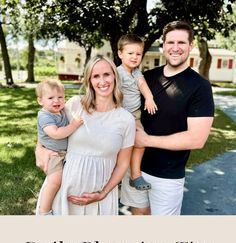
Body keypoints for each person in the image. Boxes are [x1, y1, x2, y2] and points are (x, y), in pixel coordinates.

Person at [120, 20, 214, 215]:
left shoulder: (200, 86)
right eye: (170, 42)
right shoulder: (147, 77)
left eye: (181, 43)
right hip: (134, 168)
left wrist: (146, 140)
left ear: (191, 46)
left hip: (167, 176)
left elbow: (197, 139)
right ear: (163, 45)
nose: (175, 48)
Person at [36, 55, 136, 215]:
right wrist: (39, 150)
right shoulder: (75, 105)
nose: (102, 81)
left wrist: (102, 193)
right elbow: (47, 129)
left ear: (115, 76)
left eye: (107, 74)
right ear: (89, 80)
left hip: (101, 201)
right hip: (63, 193)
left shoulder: (126, 120)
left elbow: (123, 164)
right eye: (96, 76)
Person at [36, 79, 84, 215]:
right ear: (40, 101)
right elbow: (55, 133)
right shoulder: (45, 116)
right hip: (53, 155)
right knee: (55, 181)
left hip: (63, 153)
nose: (56, 101)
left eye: (60, 97)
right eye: (50, 98)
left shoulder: (61, 111)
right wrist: (74, 125)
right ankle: (44, 211)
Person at [117, 34, 157, 191]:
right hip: (120, 115)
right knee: (118, 146)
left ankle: (135, 175)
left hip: (135, 115)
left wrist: (149, 98)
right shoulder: (117, 73)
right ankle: (115, 175)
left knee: (141, 142)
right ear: (120, 54)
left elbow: (142, 84)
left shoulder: (136, 72)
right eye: (130, 53)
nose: (134, 57)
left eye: (138, 54)